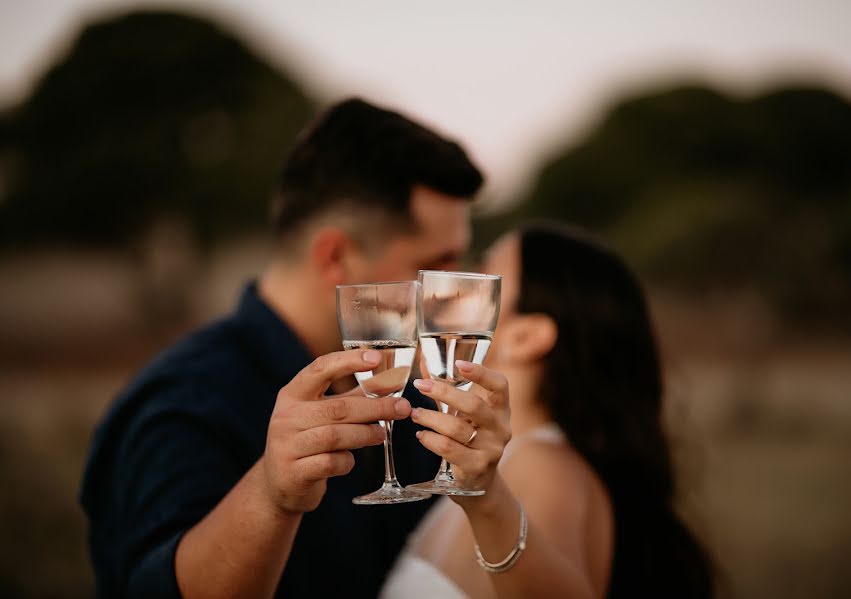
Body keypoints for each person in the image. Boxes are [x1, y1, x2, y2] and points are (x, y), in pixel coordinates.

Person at [79, 97, 484, 597]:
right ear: (336, 256)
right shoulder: (181, 404)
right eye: (434, 265)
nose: (447, 291)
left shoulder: (409, 401)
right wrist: (272, 496)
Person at [381, 224, 714, 598]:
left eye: (485, 278)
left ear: (527, 336)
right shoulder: (508, 463)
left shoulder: (544, 467)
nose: (453, 286)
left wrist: (487, 499)